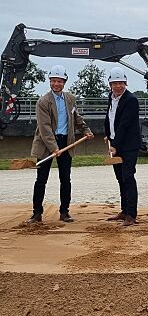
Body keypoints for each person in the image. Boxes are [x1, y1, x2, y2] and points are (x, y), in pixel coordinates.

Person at [29, 64, 94, 223]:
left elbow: (76, 118)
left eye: (59, 81)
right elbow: (44, 128)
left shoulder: (70, 99)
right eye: (53, 81)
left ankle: (64, 212)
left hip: (66, 142)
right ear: (50, 81)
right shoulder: (43, 102)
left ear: (64, 82)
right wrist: (54, 148)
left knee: (65, 178)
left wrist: (85, 129)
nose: (56, 84)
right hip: (46, 144)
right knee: (41, 179)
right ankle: (37, 213)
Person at [104, 66, 141, 226]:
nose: (118, 86)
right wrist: (108, 135)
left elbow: (124, 125)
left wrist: (115, 144)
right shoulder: (111, 97)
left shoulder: (131, 100)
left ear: (125, 83)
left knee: (128, 177)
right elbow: (110, 118)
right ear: (110, 84)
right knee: (120, 179)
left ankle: (131, 214)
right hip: (116, 143)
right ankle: (124, 210)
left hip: (129, 146)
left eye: (120, 83)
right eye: (114, 83)